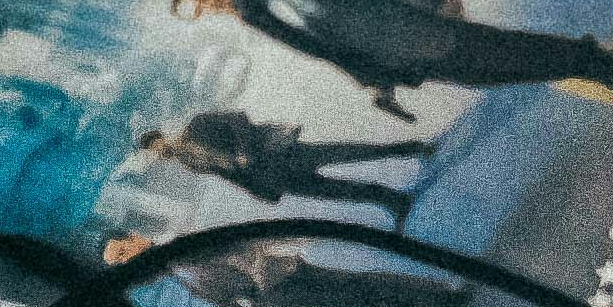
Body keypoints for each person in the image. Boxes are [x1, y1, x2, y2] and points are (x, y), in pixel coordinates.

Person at [179, 0, 613, 114]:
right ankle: (604, 66)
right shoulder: (259, 18)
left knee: (509, 54)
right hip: (404, 59)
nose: (208, 6)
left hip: (415, 29)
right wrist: (375, 84)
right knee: (502, 72)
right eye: (199, 11)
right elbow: (329, 52)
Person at [108, 229, 473, 307]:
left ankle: (444, 298)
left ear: (137, 240)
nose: (127, 263)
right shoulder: (177, 272)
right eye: (120, 264)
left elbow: (240, 251)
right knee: (360, 299)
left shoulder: (180, 249)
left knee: (360, 288)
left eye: (124, 254)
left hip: (280, 276)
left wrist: (262, 285)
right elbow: (228, 304)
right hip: (278, 291)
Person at [156, 109, 434, 207]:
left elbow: (237, 118)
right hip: (270, 176)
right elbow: (229, 176)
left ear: (164, 135)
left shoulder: (197, 125)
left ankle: (409, 148)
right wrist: (258, 192)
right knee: (331, 192)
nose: (160, 151)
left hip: (278, 152)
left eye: (157, 144)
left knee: (344, 153)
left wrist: (243, 149)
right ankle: (392, 199)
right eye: (156, 153)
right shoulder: (189, 163)